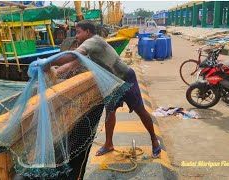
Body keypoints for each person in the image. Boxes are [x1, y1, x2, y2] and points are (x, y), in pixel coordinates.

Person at [45, 20, 161, 158]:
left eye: (78, 32)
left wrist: (48, 62)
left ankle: (154, 140)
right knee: (110, 112)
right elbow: (72, 64)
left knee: (140, 111)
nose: (76, 35)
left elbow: (73, 56)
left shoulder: (94, 41)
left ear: (87, 32)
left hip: (125, 79)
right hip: (111, 82)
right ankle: (108, 144)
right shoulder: (88, 46)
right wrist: (53, 72)